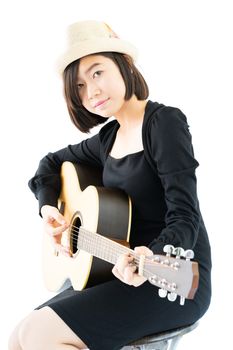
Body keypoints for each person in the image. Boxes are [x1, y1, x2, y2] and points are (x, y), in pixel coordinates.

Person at [8, 20, 212, 350]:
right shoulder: (107, 139)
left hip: (172, 278)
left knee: (39, 335)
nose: (92, 92)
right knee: (18, 338)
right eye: (79, 87)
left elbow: (185, 215)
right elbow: (48, 165)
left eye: (97, 72)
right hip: (115, 268)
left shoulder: (163, 123)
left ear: (123, 64)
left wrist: (153, 255)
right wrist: (49, 210)